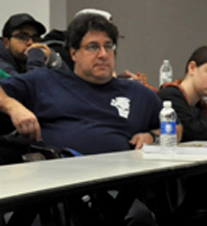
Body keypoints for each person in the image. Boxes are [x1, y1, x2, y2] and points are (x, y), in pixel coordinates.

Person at [0, 12, 162, 153]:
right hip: (58, 179)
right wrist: (12, 106)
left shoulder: (137, 93)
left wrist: (152, 137)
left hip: (121, 181)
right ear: (73, 53)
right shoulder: (45, 80)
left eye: (108, 46)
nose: (103, 54)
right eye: (93, 47)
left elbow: (175, 126)